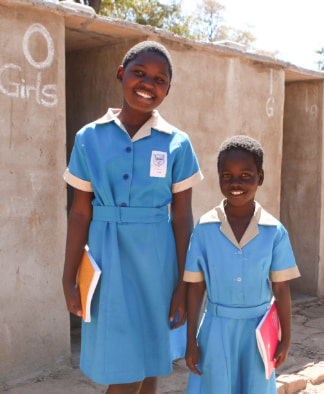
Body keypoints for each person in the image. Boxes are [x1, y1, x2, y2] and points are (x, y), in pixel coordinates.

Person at [62, 41, 203, 394]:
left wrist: (183, 285)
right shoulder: (89, 137)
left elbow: (183, 218)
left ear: (168, 89)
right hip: (107, 258)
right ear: (121, 74)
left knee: (152, 355)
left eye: (159, 79)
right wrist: (68, 275)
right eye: (139, 73)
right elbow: (80, 211)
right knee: (124, 362)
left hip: (158, 261)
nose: (148, 83)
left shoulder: (177, 143)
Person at [184, 135, 300, 393]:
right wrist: (190, 339)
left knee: (255, 386)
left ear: (261, 177)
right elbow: (195, 288)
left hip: (258, 332)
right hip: (215, 329)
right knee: (215, 386)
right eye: (227, 176)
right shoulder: (204, 229)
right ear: (219, 178)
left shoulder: (274, 231)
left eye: (246, 175)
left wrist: (286, 337)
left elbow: (281, 289)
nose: (236, 183)